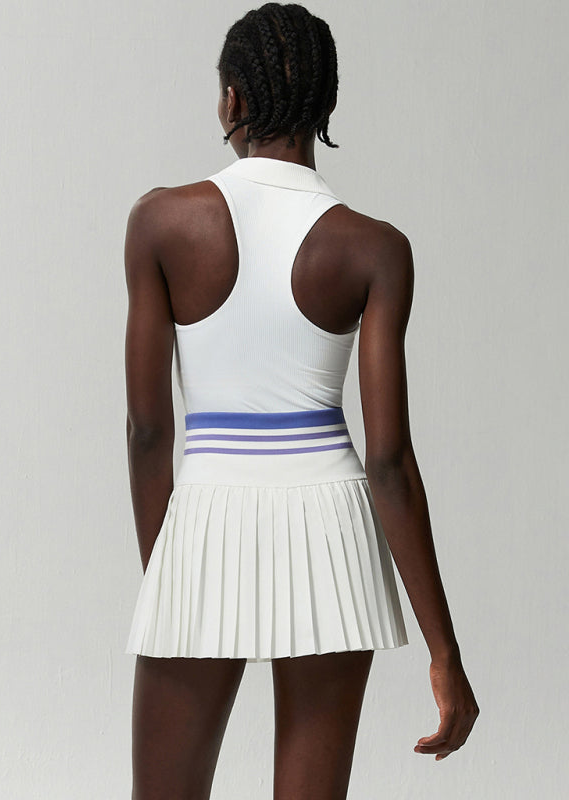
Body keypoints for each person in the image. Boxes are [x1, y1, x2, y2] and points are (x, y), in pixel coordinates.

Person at [123, 3, 479, 798]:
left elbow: (148, 430)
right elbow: (389, 461)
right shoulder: (375, 247)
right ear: (326, 103)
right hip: (331, 536)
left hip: (207, 512)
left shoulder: (160, 222)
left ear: (232, 99)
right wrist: (444, 653)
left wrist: (168, 579)